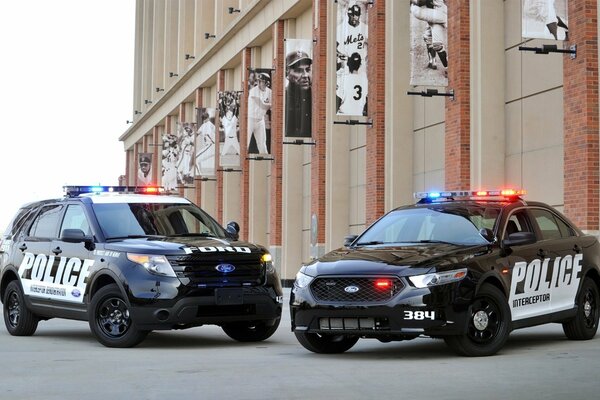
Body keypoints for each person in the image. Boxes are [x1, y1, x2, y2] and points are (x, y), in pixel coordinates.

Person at [411, 0, 448, 75]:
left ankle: (448, 67)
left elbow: (420, 2)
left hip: (439, 12)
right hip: (433, 12)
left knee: (436, 44)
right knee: (428, 36)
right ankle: (432, 61)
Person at [285, 50, 312, 137]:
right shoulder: (281, 98)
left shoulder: (317, 97)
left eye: (307, 70)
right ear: (287, 73)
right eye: (299, 70)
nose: (305, 75)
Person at [247, 72, 272, 154]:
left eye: (261, 81)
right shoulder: (253, 90)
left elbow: (273, 107)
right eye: (259, 81)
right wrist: (271, 105)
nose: (259, 83)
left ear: (267, 83)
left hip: (260, 121)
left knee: (262, 146)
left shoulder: (269, 92)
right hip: (250, 120)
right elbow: (262, 106)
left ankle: (266, 165)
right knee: (245, 144)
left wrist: (271, 105)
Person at [195, 111, 215, 176]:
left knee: (195, 159)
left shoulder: (209, 124)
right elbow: (197, 133)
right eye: (204, 118)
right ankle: (201, 174)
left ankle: (200, 175)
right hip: (209, 146)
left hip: (210, 145)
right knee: (197, 160)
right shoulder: (204, 125)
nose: (204, 119)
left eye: (205, 117)